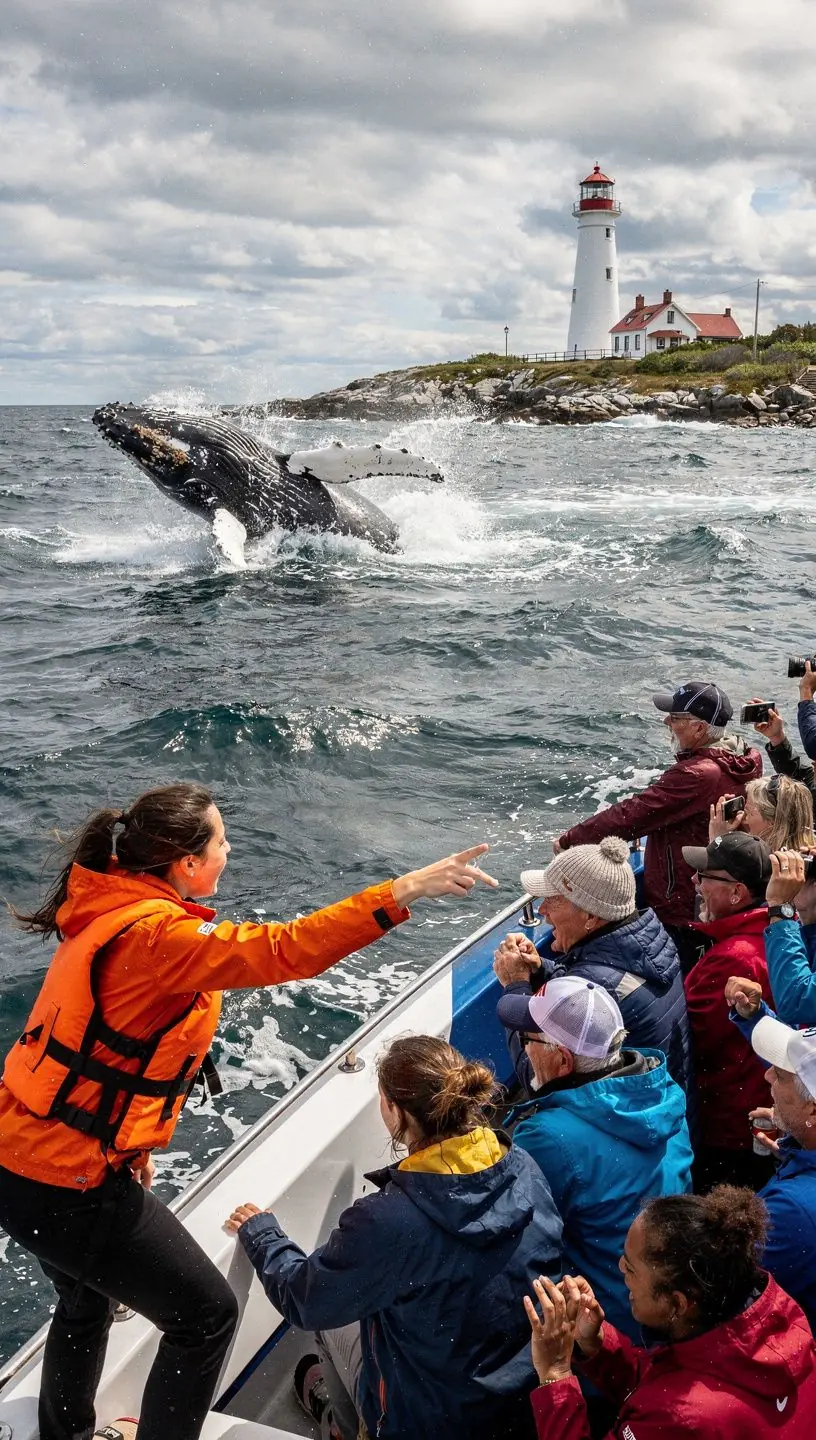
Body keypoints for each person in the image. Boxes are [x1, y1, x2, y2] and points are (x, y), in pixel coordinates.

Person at [0, 783, 499, 1440]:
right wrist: (403, 890)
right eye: (222, 841)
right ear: (185, 864)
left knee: (84, 1300)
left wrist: (132, 1149)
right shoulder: (160, 937)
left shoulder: (111, 907)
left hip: (26, 1158)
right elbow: (285, 949)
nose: (230, 851)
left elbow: (110, 1055)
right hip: (66, 1183)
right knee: (204, 1316)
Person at [226, 1035, 563, 1440]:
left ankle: (345, 1429)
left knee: (332, 1320)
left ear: (395, 1110)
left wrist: (264, 1235)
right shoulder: (523, 1164)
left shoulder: (387, 1221)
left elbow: (306, 1299)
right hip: (515, 1411)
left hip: (427, 1425)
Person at [524, 1186, 816, 1439]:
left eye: (631, 1267)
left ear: (676, 1304)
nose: (620, 1269)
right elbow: (669, 1383)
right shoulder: (779, 1322)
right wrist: (598, 1346)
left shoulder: (682, 1418)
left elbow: (672, 1409)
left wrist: (555, 1376)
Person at [497, 976, 692, 1342]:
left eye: (529, 1040)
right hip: (663, 1312)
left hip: (604, 1333)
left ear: (563, 1060)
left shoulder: (548, 1138)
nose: (524, 1049)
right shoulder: (665, 1093)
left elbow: (519, 1243)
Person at [553, 681, 761, 972]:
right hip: (712, 894)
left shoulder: (697, 774)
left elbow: (633, 814)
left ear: (700, 729)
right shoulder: (741, 758)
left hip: (682, 905)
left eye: (675, 718)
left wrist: (570, 840)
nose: (667, 721)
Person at [493, 839, 693, 1098]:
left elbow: (538, 1079)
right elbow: (602, 982)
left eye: (553, 900)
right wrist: (541, 969)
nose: (542, 910)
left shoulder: (600, 984)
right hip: (670, 1111)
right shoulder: (652, 942)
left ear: (591, 917)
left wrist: (516, 984)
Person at [680, 832, 774, 1192]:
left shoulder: (733, 959)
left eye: (705, 876)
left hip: (729, 1125)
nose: (695, 882)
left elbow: (694, 1039)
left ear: (737, 893)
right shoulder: (771, 932)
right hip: (750, 1110)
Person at [721, 1002, 816, 1332]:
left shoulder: (788, 1211)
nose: (767, 1074)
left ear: (813, 1112)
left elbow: (718, 1305)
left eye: (783, 1075)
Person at [727, 851, 816, 1024]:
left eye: (803, 873)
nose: (793, 878)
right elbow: (798, 1042)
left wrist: (780, 909)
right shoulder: (807, 934)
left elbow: (796, 1003)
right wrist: (757, 1015)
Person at [709, 773, 815, 851]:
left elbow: (702, 880)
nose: (742, 818)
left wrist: (717, 841)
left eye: (747, 812)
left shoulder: (764, 866)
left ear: (773, 823)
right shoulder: (806, 858)